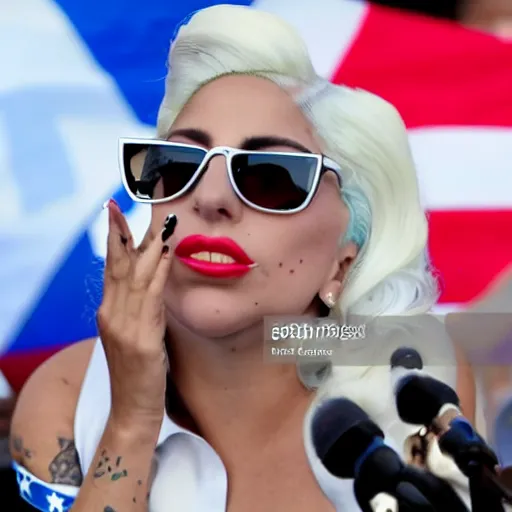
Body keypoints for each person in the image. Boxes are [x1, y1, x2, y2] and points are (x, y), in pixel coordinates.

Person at [10, 5, 482, 511]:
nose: (211, 198)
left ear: (343, 262)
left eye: (270, 178)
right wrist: (131, 420)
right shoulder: (69, 393)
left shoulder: (410, 376)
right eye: (182, 164)